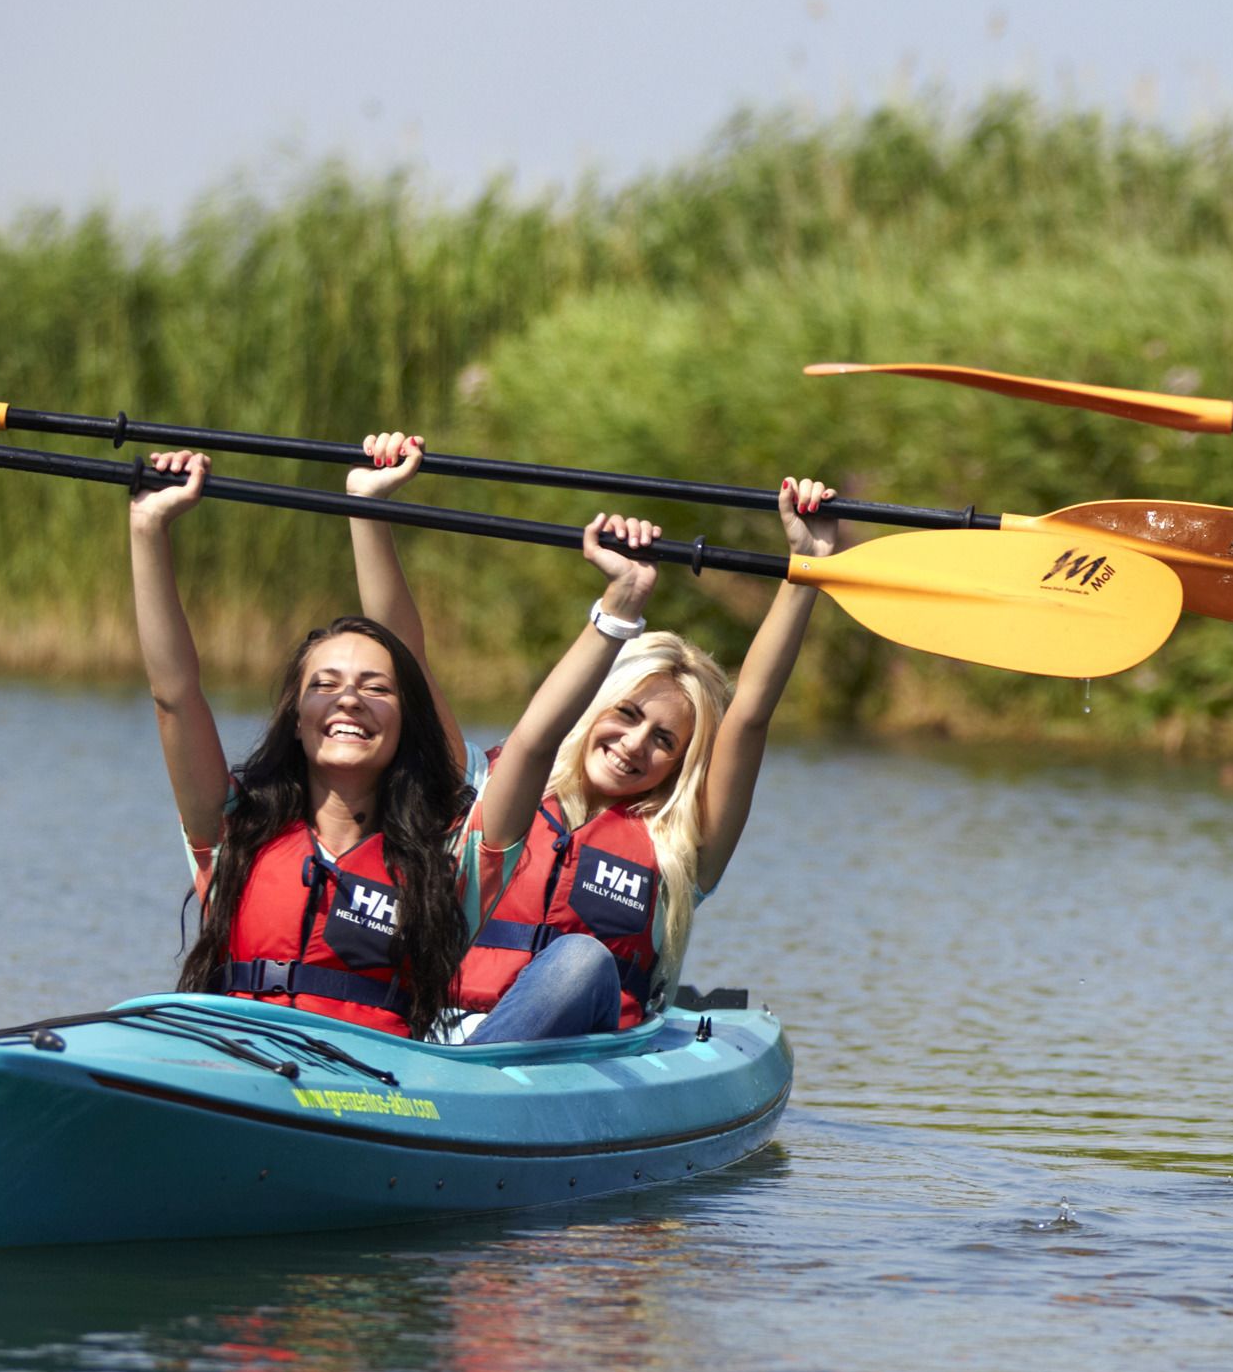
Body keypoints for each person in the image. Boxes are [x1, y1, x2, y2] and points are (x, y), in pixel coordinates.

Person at [342, 432, 844, 1044]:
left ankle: (472, 1082)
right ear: (595, 706)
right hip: (442, 1040)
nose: (635, 744)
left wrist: (806, 567)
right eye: (627, 714)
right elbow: (404, 655)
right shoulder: (484, 793)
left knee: (582, 961)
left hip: (574, 1058)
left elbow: (750, 718)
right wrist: (368, 507)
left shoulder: (681, 847)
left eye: (665, 740)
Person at [129, 450, 470, 1037]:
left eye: (375, 688)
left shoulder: (441, 845)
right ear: (295, 716)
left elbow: (410, 657)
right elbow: (175, 696)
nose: (348, 700)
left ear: (408, 718)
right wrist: (148, 528)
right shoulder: (234, 829)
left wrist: (365, 508)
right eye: (325, 684)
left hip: (374, 1083)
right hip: (241, 1057)